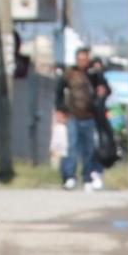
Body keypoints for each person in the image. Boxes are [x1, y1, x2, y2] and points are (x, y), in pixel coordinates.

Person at [55, 51, 107, 188]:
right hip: (73, 115)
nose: (82, 62)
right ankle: (69, 176)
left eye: (85, 60)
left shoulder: (93, 74)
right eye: (80, 59)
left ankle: (87, 176)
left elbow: (105, 89)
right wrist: (60, 110)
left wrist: (99, 74)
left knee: (89, 149)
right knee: (71, 146)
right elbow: (59, 91)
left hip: (90, 116)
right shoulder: (70, 73)